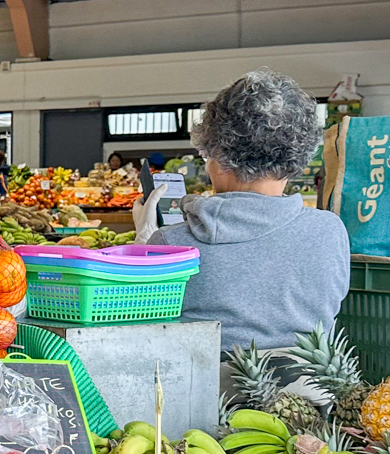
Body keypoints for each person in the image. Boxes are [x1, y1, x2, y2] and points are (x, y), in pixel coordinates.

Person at [143, 70, 350, 351]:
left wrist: (143, 245)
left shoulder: (172, 244)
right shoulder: (329, 230)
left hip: (203, 390)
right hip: (312, 387)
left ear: (217, 156)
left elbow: (140, 331)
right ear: (297, 158)